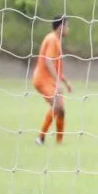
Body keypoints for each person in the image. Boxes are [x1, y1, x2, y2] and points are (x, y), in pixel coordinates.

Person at [33, 16, 72, 145]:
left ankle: (58, 142)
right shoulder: (52, 40)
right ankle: (41, 137)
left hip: (48, 80)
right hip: (43, 80)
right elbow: (48, 60)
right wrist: (58, 83)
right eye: (67, 26)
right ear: (61, 27)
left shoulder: (56, 40)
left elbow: (56, 67)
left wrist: (65, 82)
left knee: (60, 109)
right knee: (58, 106)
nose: (68, 29)